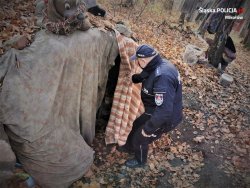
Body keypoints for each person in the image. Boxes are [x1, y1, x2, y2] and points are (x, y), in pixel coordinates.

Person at [118, 44, 183, 168]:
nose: (137, 63)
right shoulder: (157, 63)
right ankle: (129, 147)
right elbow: (148, 72)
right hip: (154, 108)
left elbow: (164, 112)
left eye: (137, 61)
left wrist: (148, 130)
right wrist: (136, 78)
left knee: (141, 137)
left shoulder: (163, 77)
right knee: (136, 125)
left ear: (143, 60)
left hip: (166, 117)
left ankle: (140, 161)